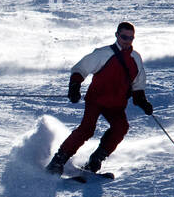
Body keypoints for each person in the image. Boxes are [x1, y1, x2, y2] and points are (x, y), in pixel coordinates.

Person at [46, 21, 153, 175]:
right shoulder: (103, 54)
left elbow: (138, 84)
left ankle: (95, 160)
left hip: (116, 104)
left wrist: (142, 101)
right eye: (124, 37)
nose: (127, 41)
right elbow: (80, 68)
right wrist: (75, 86)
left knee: (121, 127)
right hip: (96, 100)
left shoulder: (135, 58)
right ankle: (58, 161)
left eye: (131, 38)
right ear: (117, 35)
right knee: (87, 129)